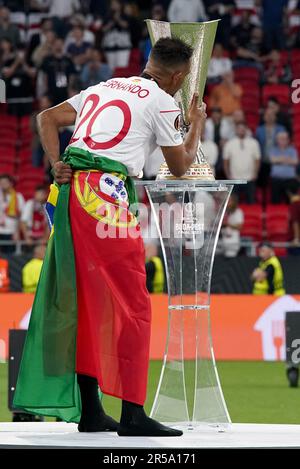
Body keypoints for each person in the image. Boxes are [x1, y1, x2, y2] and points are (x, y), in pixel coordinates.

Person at [13, 37, 207, 437]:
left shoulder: (104, 86)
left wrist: (55, 164)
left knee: (84, 300)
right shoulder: (162, 101)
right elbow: (183, 167)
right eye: (183, 78)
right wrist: (197, 123)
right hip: (106, 195)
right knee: (135, 304)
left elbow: (46, 118)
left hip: (70, 196)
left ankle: (90, 411)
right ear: (176, 76)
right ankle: (133, 413)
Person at [223, 122, 261, 203]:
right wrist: (228, 175)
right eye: (239, 129)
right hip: (234, 178)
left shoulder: (254, 143)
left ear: (246, 130)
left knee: (251, 202)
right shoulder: (229, 143)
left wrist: (255, 173)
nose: (241, 131)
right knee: (234, 204)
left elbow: (257, 160)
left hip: (250, 178)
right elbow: (226, 161)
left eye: (243, 129)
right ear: (236, 130)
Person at [269, 131, 298, 204]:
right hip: (276, 180)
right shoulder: (273, 150)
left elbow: (295, 162)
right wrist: (287, 160)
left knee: (292, 202)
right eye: (281, 139)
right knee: (275, 201)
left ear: (288, 140)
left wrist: (279, 159)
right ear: (277, 140)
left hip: (290, 180)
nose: (283, 140)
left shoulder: (292, 150)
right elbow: (273, 160)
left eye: (285, 139)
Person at [0, 174, 25, 254]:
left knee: (9, 256)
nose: (3, 184)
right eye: (1, 182)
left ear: (11, 183)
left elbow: (21, 217)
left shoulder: (18, 197)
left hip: (11, 231)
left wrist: (17, 232)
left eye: (5, 182)